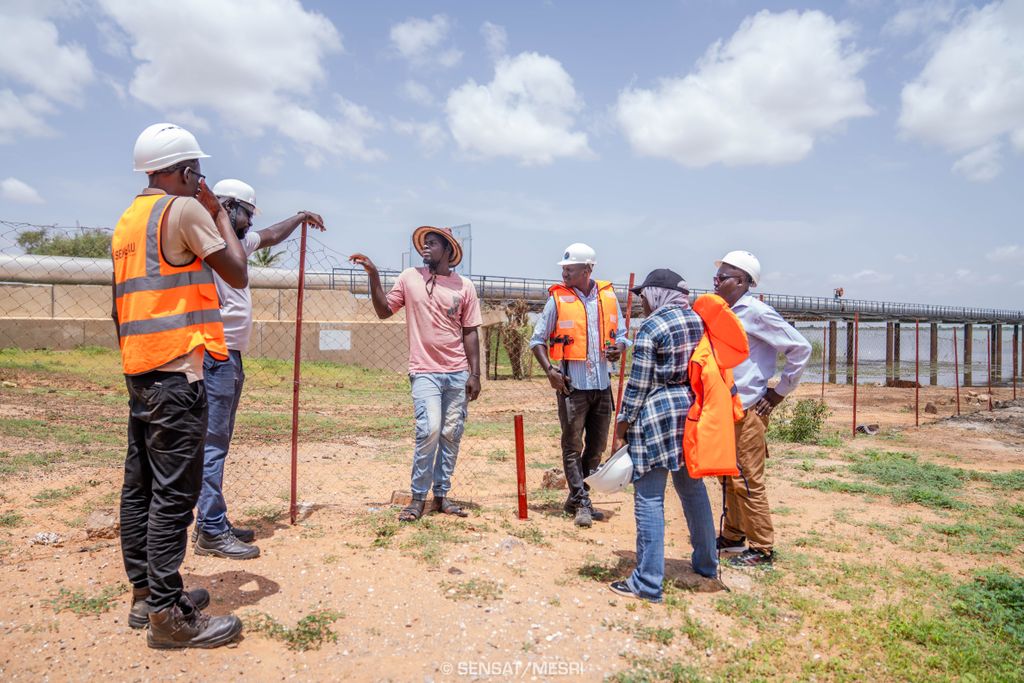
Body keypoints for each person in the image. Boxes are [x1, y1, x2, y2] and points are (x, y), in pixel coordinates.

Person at [111, 123, 247, 648]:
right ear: (187, 171)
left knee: (141, 488)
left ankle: (146, 596)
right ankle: (169, 616)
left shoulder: (129, 220)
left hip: (140, 369)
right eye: (198, 172)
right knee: (173, 494)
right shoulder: (185, 210)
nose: (200, 180)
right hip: (177, 373)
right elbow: (237, 272)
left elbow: (120, 304)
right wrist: (217, 211)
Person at [191, 178, 325, 560]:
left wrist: (299, 217)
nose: (251, 222)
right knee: (212, 445)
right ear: (227, 207)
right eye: (247, 213)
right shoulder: (207, 240)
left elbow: (270, 235)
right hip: (214, 353)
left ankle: (210, 521)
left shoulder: (236, 243)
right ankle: (211, 529)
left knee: (218, 443)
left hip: (229, 356)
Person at [349, 226, 482, 521]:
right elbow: (384, 310)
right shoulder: (410, 278)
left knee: (451, 433)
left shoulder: (465, 287)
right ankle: (417, 498)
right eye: (424, 243)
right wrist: (373, 275)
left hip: (457, 372)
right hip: (424, 371)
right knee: (429, 429)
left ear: (448, 250)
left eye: (432, 243)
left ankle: (442, 496)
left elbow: (470, 331)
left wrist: (475, 374)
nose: (425, 247)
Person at [609, 269, 717, 603]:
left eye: (643, 296)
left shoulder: (652, 327)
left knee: (649, 497)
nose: (641, 302)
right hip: (691, 408)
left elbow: (638, 385)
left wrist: (622, 428)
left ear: (658, 294)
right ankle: (707, 565)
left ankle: (647, 582)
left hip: (656, 413)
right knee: (693, 490)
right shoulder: (698, 321)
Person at [713, 251, 812, 567]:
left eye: (722, 277)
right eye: (716, 276)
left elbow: (800, 348)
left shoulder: (756, 312)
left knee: (746, 478)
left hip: (748, 409)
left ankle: (762, 547)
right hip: (725, 409)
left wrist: (780, 392)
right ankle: (733, 534)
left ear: (742, 281)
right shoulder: (725, 311)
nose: (716, 281)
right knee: (728, 475)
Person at [530, 243, 628, 528]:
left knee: (596, 448)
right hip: (572, 386)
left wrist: (620, 347)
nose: (564, 274)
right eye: (564, 270)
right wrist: (550, 371)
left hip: (602, 385)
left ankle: (575, 498)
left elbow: (622, 335)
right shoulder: (557, 300)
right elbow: (537, 340)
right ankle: (583, 502)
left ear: (587, 269)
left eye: (570, 270)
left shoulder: (608, 297)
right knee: (572, 445)